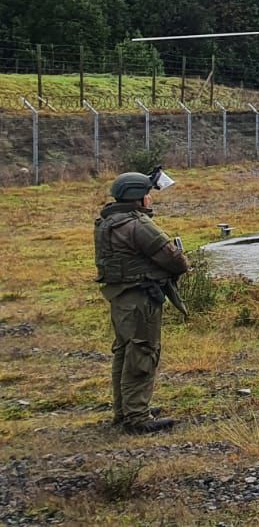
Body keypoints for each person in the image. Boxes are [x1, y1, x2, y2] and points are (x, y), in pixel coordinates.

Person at [95, 171, 188, 434]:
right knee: (143, 352)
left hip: (120, 295)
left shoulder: (108, 222)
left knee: (125, 352)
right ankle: (137, 417)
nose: (150, 198)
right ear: (138, 197)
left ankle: (125, 410)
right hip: (140, 297)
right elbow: (172, 259)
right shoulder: (138, 225)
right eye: (147, 194)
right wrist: (182, 262)